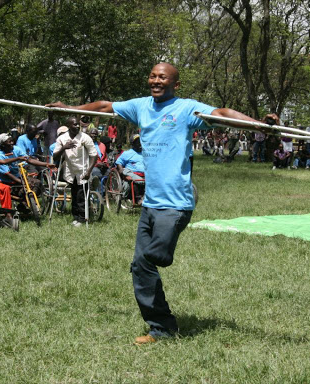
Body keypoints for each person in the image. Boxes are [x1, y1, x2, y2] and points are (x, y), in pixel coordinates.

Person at [47, 62, 278, 345]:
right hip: (150, 204)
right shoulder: (141, 106)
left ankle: (161, 254)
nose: (156, 81)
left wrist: (258, 125)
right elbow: (106, 107)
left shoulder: (186, 109)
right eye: (153, 76)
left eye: (163, 77)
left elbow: (221, 113)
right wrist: (71, 109)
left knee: (155, 256)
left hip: (177, 203)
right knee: (141, 267)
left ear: (175, 85)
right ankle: (162, 328)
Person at [53, 117, 97, 227]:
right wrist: (64, 148)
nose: (77, 126)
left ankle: (83, 218)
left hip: (83, 169)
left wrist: (89, 171)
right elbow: (55, 157)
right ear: (68, 126)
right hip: (70, 170)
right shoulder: (62, 139)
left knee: (82, 195)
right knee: (74, 194)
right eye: (74, 124)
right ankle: (76, 216)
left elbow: (93, 155)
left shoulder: (85, 137)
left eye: (78, 124)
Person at [115, 134, 145, 204]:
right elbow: (119, 162)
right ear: (133, 144)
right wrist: (121, 172)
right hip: (132, 173)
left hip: (145, 174)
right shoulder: (127, 153)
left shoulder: (145, 152)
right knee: (136, 181)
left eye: (140, 141)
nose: (140, 143)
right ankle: (138, 198)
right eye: (137, 142)